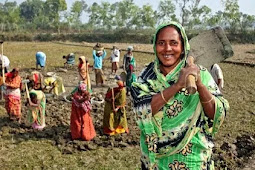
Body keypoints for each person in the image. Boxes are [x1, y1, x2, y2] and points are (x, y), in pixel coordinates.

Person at [131, 22, 229, 169]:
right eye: (161, 43)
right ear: (155, 46)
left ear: (183, 47)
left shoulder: (200, 73)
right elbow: (141, 109)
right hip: (157, 162)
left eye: (174, 43)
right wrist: (177, 86)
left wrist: (200, 85)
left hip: (193, 160)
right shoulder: (147, 76)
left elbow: (217, 113)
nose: (167, 49)